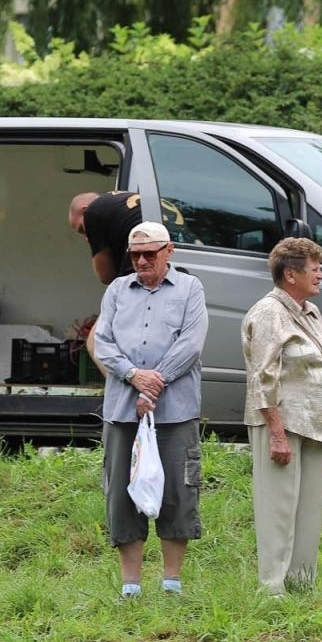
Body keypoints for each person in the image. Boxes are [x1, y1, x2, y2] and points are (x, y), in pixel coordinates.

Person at [91, 221, 208, 598]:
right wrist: (133, 375)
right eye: (135, 254)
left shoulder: (190, 288)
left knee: (178, 488)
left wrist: (155, 382)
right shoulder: (117, 290)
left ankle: (171, 581)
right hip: (123, 408)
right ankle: (131, 585)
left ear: (169, 251)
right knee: (121, 492)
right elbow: (103, 342)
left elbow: (191, 342)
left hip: (175, 408)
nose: (141, 261)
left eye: (149, 254)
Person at [242, 237, 322, 597]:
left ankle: (302, 584)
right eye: (314, 268)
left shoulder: (311, 312)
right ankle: (272, 588)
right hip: (280, 422)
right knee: (278, 507)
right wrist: (276, 432)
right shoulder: (269, 311)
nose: (321, 274)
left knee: (309, 508)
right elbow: (263, 376)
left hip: (315, 421)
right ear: (291, 274)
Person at [68, 191, 145, 284]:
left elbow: (106, 277)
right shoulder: (126, 200)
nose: (87, 239)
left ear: (85, 210)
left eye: (82, 229)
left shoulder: (92, 212)